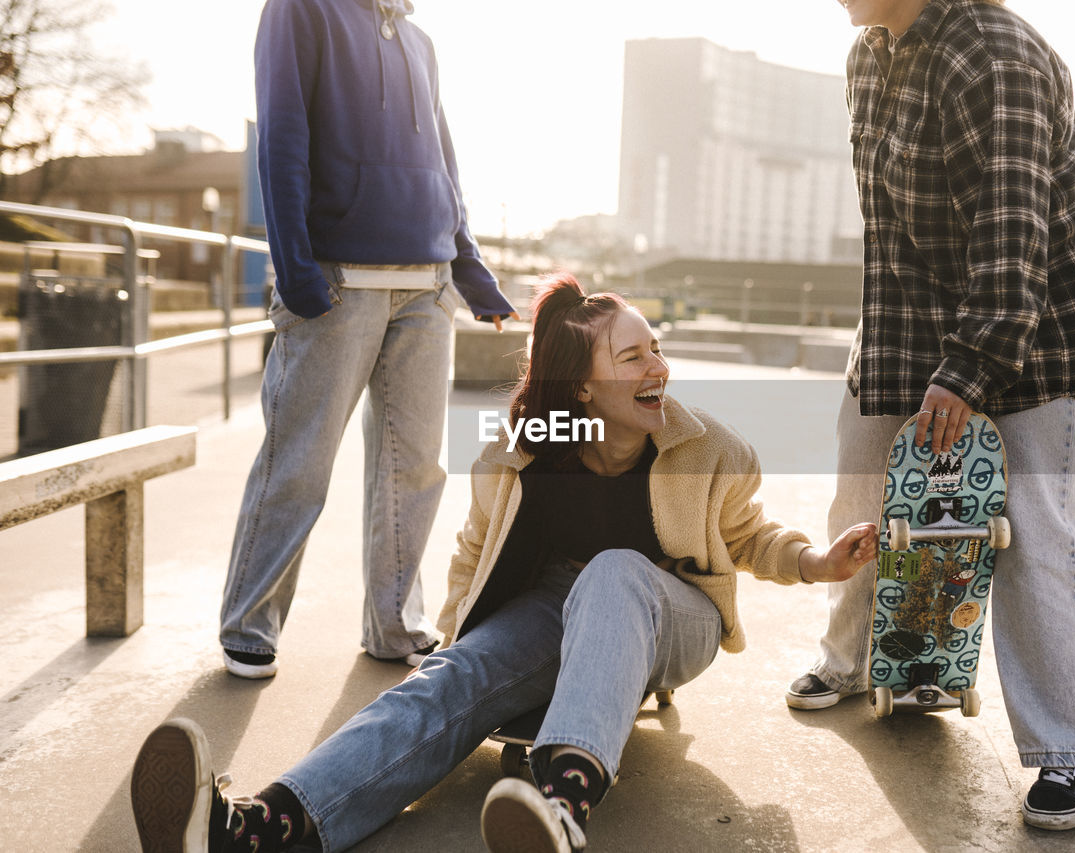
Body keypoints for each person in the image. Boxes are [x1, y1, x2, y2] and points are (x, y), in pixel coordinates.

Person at [131, 273, 880, 853]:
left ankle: (560, 806)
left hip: (673, 614)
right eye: (634, 355)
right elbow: (471, 557)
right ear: (582, 388)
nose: (659, 365)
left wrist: (817, 562)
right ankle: (258, 827)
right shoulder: (518, 455)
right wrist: (460, 650)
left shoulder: (710, 447)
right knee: (447, 676)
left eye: (657, 346)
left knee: (616, 569)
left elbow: (747, 535)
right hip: (553, 606)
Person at [787, 0, 1075, 832]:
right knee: (861, 485)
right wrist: (900, 364)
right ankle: (854, 659)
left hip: (1032, 330)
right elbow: (886, 229)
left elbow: (1013, 246)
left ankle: (1066, 746)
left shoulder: (994, 58)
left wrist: (968, 370)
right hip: (911, 314)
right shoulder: (871, 54)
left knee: (1035, 533)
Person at [220, 0, 515, 680]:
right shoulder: (301, 10)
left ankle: (395, 623)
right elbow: (283, 137)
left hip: (427, 284)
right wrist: (293, 264)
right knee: (300, 462)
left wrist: (469, 270)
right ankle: (249, 622)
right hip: (336, 281)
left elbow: (444, 165)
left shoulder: (420, 39)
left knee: (412, 468)